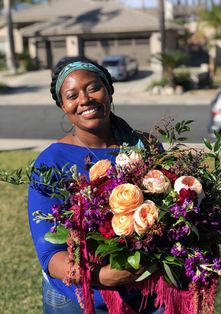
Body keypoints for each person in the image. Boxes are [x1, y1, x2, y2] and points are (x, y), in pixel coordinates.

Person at [28, 56, 164, 314]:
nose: (85, 99)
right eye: (72, 95)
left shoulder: (146, 147)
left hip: (149, 297)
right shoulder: (51, 163)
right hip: (82, 300)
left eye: (93, 88)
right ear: (62, 106)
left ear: (109, 90)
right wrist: (101, 276)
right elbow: (50, 254)